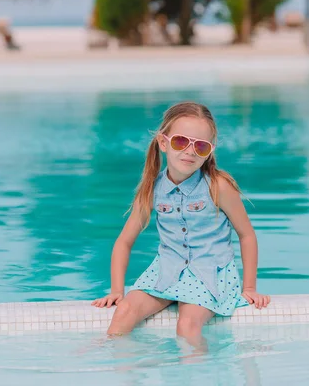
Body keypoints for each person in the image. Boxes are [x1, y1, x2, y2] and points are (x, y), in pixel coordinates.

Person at [91, 101, 271, 348]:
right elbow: (124, 242)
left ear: (209, 151)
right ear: (163, 143)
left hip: (209, 273)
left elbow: (246, 235)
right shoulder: (152, 189)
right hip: (166, 271)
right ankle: (121, 370)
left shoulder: (218, 186)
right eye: (180, 141)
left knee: (187, 327)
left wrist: (249, 287)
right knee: (124, 311)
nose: (190, 151)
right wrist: (115, 289)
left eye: (200, 146)